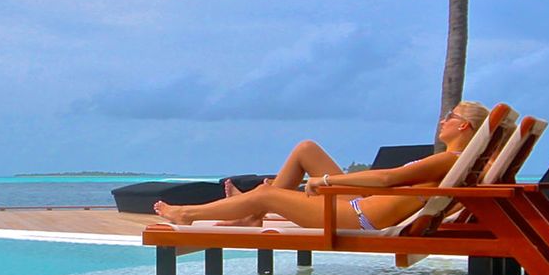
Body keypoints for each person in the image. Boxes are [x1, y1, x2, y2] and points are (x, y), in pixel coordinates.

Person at [153, 102, 491, 231]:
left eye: (451, 116)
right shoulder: (456, 161)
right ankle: (251, 215)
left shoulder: (448, 159)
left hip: (358, 217)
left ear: (464, 126)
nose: (443, 120)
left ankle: (188, 214)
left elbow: (389, 178)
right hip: (361, 204)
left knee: (266, 193)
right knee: (307, 149)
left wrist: (327, 181)